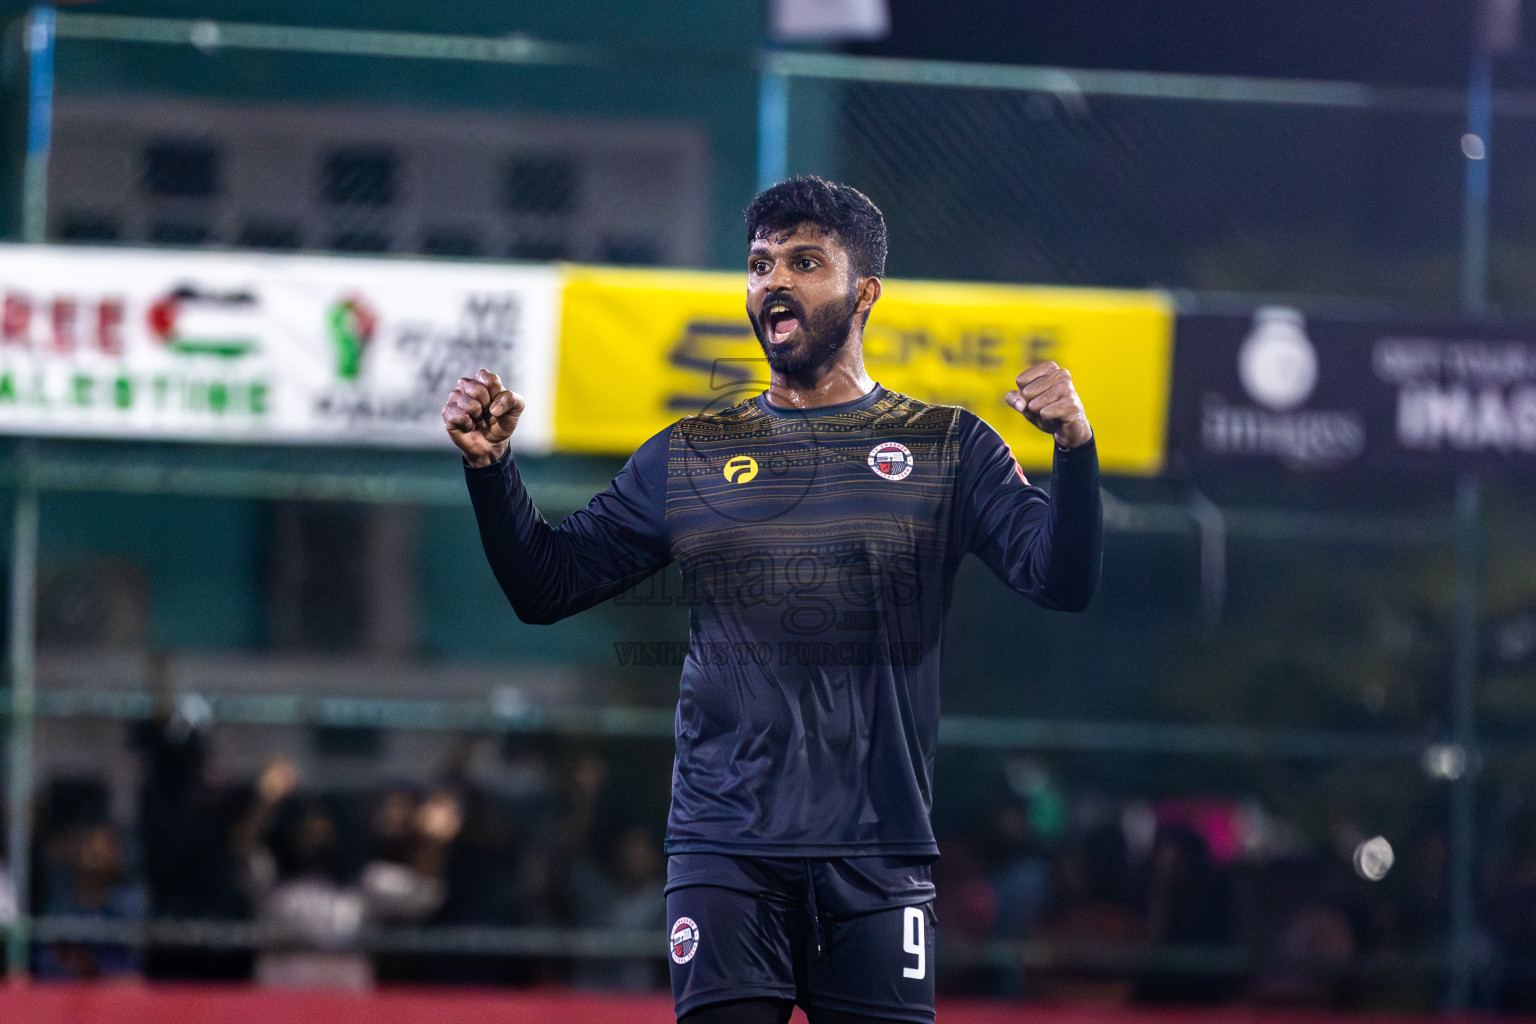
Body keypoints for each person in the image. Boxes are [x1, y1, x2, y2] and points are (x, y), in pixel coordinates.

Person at [443, 176, 1103, 1024]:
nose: (773, 281)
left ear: (864, 292)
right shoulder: (689, 454)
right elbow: (546, 586)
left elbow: (1061, 579)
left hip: (879, 853)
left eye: (804, 261)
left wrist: (1076, 453)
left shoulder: (948, 445)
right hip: (725, 849)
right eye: (759, 264)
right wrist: (491, 471)